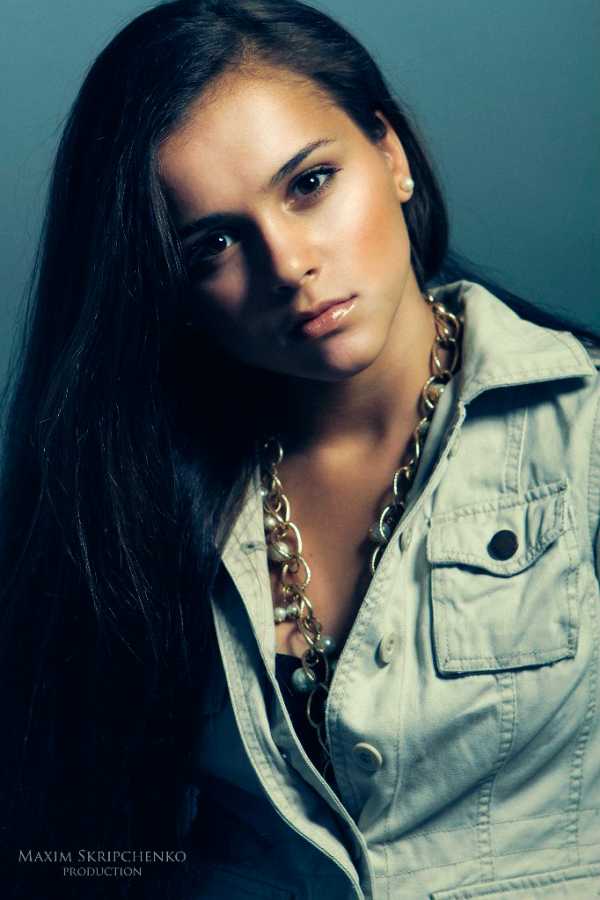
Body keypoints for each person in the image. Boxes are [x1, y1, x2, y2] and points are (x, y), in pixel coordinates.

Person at [1, 1, 599, 897]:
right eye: (213, 243)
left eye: (310, 183)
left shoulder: (581, 433)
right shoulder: (134, 506)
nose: (287, 265)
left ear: (391, 156)